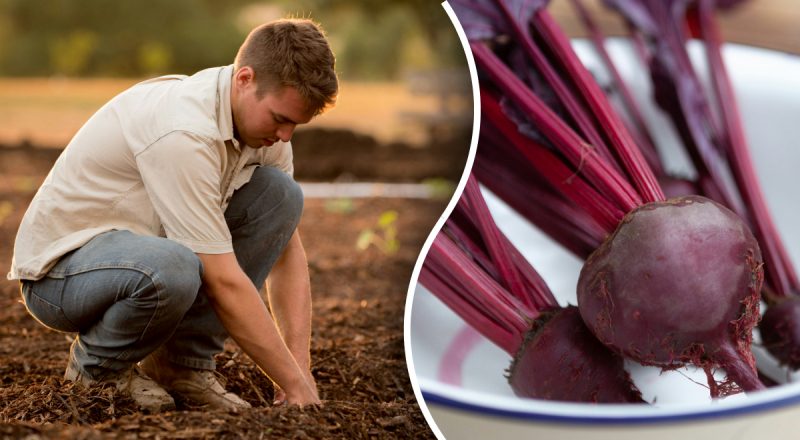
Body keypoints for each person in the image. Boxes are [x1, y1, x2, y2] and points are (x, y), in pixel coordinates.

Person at [7, 18, 338, 412]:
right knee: (175, 266)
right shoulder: (184, 132)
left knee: (281, 196)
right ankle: (98, 370)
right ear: (245, 79)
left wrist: (300, 374)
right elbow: (223, 281)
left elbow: (284, 249)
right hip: (60, 274)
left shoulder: (264, 134)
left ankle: (181, 366)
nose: (286, 136)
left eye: (295, 124)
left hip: (142, 255)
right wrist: (290, 382)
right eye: (280, 118)